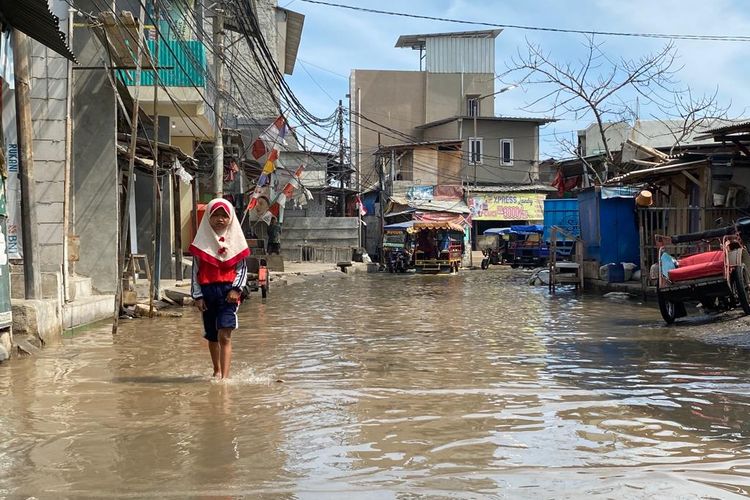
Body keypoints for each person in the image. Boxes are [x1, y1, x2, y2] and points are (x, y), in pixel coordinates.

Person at [190, 198, 250, 379]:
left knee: (225, 334)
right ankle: (216, 370)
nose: (220, 219)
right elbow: (195, 272)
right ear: (208, 217)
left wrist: (236, 290)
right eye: (215, 215)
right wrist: (197, 296)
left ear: (230, 218)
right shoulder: (201, 244)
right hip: (207, 292)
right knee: (212, 336)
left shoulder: (237, 242)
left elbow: (242, 269)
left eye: (224, 215)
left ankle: (225, 377)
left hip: (228, 293)